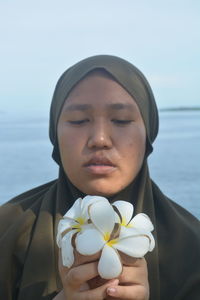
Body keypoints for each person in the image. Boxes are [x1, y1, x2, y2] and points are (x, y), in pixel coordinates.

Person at [0, 55, 199, 300]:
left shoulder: (193, 247)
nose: (100, 139)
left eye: (122, 120)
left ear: (148, 133)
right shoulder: (6, 231)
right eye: (78, 121)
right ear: (55, 133)